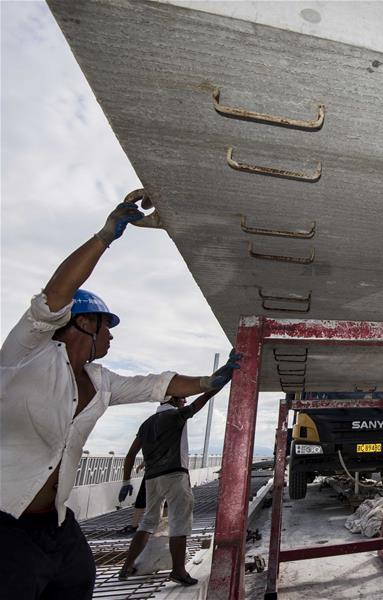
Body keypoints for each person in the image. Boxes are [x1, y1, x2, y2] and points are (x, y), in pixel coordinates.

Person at [0, 191, 242, 599]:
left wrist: (208, 381)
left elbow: (156, 385)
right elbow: (54, 295)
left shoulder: (100, 382)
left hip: (56, 523)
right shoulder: (24, 356)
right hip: (6, 525)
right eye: (106, 325)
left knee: (79, 582)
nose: (111, 334)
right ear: (83, 323)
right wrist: (104, 237)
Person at [117, 388, 221, 585]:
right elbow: (202, 400)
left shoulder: (147, 424)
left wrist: (125, 481)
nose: (185, 401)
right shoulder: (175, 416)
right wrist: (216, 384)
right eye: (182, 397)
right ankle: (179, 571)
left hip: (152, 478)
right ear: (174, 400)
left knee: (148, 521)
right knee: (179, 521)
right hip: (175, 474)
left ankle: (127, 566)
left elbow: (131, 455)